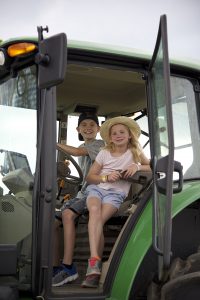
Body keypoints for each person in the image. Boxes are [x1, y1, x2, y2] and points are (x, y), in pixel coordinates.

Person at [81, 116, 151, 288]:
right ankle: (94, 262)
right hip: (97, 189)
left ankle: (94, 268)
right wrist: (106, 176)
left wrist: (137, 166)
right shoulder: (104, 152)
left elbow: (151, 166)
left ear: (129, 135)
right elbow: (90, 177)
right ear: (110, 137)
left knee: (97, 221)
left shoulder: (134, 152)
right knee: (95, 213)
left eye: (122, 132)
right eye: (114, 133)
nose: (118, 135)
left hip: (116, 195)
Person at [52, 112, 105, 287]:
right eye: (84, 125)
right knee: (53, 222)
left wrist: (51, 143)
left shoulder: (99, 145)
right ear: (78, 129)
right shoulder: (85, 144)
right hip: (83, 191)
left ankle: (69, 268)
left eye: (92, 125)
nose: (88, 128)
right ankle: (55, 267)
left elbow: (75, 152)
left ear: (99, 129)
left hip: (95, 191)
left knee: (67, 215)